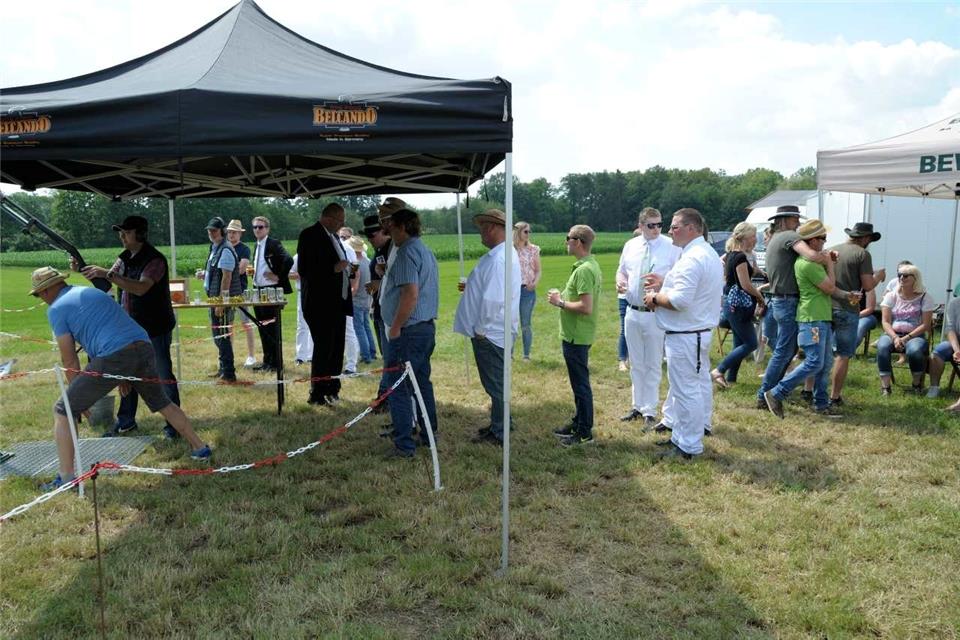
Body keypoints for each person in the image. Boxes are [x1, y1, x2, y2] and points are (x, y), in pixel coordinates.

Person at [29, 267, 210, 490]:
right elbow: (114, 327)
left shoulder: (56, 309)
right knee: (162, 402)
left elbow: (69, 361)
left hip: (114, 354)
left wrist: (75, 399)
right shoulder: (92, 293)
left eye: (39, 294)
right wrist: (123, 376)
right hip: (143, 345)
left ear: (46, 290)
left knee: (62, 410)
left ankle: (66, 479)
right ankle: (200, 448)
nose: (41, 298)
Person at [76, 215, 182, 439]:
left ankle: (174, 426)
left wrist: (108, 273)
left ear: (140, 234)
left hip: (155, 328)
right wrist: (84, 269)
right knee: (126, 376)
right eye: (121, 232)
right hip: (130, 330)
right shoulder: (124, 257)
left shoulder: (155, 260)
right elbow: (106, 283)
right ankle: (126, 422)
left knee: (162, 376)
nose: (122, 236)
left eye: (127, 232)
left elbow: (141, 287)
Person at [642, 208, 723, 460]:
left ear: (692, 228)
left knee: (686, 389)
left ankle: (688, 445)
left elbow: (680, 300)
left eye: (675, 226)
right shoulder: (704, 253)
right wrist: (665, 281)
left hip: (686, 333)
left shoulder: (693, 257)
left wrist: (654, 297)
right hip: (695, 331)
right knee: (696, 386)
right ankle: (688, 434)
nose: (669, 231)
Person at [764, 220, 859, 419]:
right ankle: (776, 392)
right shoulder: (808, 264)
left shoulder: (812, 262)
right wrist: (830, 264)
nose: (825, 243)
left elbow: (830, 290)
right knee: (815, 362)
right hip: (812, 318)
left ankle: (821, 404)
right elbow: (830, 287)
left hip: (818, 317)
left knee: (824, 364)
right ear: (813, 241)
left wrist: (847, 295)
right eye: (823, 239)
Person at [755, 205, 832, 410]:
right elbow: (812, 256)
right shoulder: (789, 236)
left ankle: (768, 393)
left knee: (785, 351)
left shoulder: (774, 238)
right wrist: (826, 258)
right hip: (788, 300)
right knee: (784, 351)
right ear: (786, 219)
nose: (798, 223)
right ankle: (766, 394)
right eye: (796, 219)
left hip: (779, 299)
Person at [454, 209, 521, 446]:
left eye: (482, 227)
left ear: (492, 228)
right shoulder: (501, 255)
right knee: (496, 382)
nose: (481, 233)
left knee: (495, 384)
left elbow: (494, 300)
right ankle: (500, 423)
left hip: (490, 332)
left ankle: (501, 430)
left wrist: (480, 329)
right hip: (494, 331)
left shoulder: (500, 258)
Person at [380, 207, 440, 458]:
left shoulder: (406, 253)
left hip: (408, 331)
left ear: (403, 227)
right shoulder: (424, 250)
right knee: (420, 383)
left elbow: (410, 294)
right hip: (424, 329)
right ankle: (428, 434)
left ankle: (405, 444)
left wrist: (394, 328)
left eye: (391, 225)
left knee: (399, 387)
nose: (388, 230)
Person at [617, 207, 680, 425]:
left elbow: (678, 276)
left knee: (653, 362)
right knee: (636, 362)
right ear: (641, 225)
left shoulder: (670, 246)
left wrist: (663, 281)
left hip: (655, 312)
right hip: (632, 310)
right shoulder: (631, 245)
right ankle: (637, 405)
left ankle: (650, 411)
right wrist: (621, 281)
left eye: (659, 225)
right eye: (651, 225)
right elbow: (622, 270)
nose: (656, 229)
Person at [548, 224, 602, 446]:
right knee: (578, 383)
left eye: (568, 237)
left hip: (576, 336)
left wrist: (559, 302)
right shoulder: (589, 265)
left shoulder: (584, 270)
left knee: (580, 385)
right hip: (576, 334)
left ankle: (584, 432)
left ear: (578, 242)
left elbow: (585, 306)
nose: (566, 241)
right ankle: (579, 421)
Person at [296, 203, 353, 406]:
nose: (342, 225)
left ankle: (333, 387)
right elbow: (305, 269)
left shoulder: (334, 236)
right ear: (328, 218)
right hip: (320, 304)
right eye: (340, 221)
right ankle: (317, 392)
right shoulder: (310, 235)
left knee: (337, 347)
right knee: (323, 348)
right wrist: (333, 268)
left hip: (338, 302)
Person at [826, 222, 886, 405]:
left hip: (825, 306)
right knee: (843, 355)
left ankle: (810, 390)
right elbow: (867, 285)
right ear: (866, 238)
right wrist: (879, 277)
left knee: (820, 353)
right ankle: (835, 396)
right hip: (847, 309)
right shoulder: (862, 254)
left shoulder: (831, 249)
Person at [710, 222, 765, 386]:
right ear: (745, 237)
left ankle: (731, 379)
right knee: (751, 343)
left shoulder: (731, 255)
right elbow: (745, 284)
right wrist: (760, 297)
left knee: (739, 342)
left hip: (732, 304)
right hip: (738, 305)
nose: (755, 239)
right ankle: (719, 370)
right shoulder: (740, 257)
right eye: (753, 236)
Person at [876, 264, 936, 395]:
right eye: (899, 275)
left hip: (915, 335)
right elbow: (885, 322)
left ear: (916, 278)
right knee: (882, 347)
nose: (901, 278)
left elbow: (925, 325)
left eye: (906, 275)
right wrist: (895, 337)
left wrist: (906, 338)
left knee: (915, 350)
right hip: (892, 333)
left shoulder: (925, 298)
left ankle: (916, 384)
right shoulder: (891, 296)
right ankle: (886, 387)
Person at [196, 217, 241, 382]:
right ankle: (223, 369)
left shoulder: (225, 249)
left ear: (221, 231)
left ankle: (229, 373)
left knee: (222, 335)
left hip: (222, 300)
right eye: (209, 230)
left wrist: (222, 302)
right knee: (218, 335)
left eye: (214, 230)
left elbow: (226, 277)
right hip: (214, 298)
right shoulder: (215, 247)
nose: (211, 233)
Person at [250, 216, 293, 373]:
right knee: (262, 327)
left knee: (271, 328)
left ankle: (275, 363)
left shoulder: (273, 243)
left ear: (267, 228)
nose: (257, 230)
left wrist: (279, 276)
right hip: (258, 289)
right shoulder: (258, 244)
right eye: (254, 227)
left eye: (260, 227)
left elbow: (288, 260)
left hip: (270, 290)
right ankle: (267, 361)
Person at [225, 218, 257, 368]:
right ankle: (229, 356)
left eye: (234, 232)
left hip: (240, 291)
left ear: (240, 234)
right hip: (225, 292)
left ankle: (251, 356)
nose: (231, 235)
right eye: (230, 232)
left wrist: (225, 273)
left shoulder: (244, 249)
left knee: (246, 323)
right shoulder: (224, 248)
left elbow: (242, 269)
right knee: (228, 325)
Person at [363, 212, 393, 358]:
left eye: (372, 235)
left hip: (389, 311)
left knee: (390, 358)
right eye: (366, 236)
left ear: (384, 231)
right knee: (386, 355)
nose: (369, 239)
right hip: (378, 307)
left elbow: (402, 283)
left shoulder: (392, 249)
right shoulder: (379, 250)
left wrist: (379, 284)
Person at [513, 221, 541, 361]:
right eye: (525, 231)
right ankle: (509, 354)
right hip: (512, 291)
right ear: (517, 232)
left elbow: (538, 270)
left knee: (525, 324)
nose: (528, 234)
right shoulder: (510, 249)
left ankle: (526, 355)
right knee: (511, 322)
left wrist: (534, 284)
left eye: (529, 231)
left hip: (526, 290)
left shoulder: (533, 249)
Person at [348, 235, 376, 364]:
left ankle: (366, 355)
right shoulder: (367, 261)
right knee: (366, 327)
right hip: (367, 299)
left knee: (359, 328)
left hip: (357, 299)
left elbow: (354, 283)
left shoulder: (355, 265)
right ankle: (372, 352)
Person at [928, 295, 960, 400]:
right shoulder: (954, 303)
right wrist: (957, 350)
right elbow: (950, 329)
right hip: (957, 340)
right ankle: (934, 387)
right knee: (938, 353)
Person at [287, 254, 313, 365]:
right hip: (302, 292)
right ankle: (301, 356)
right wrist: (302, 275)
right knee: (302, 325)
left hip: (317, 292)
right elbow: (289, 274)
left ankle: (312, 355)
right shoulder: (298, 257)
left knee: (315, 325)